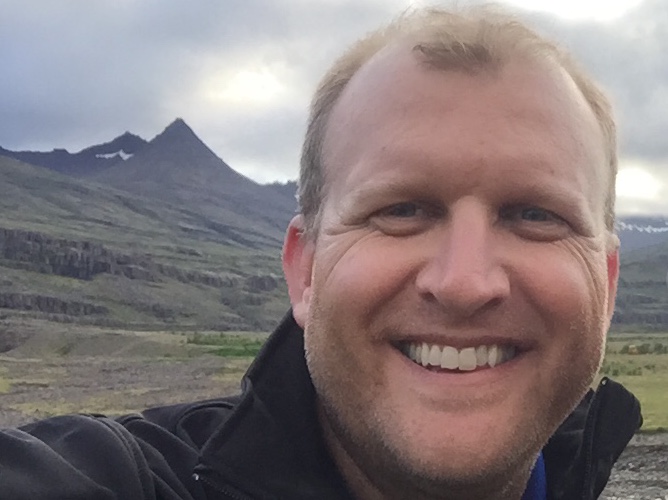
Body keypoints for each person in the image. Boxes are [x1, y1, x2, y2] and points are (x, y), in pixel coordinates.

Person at [1, 5, 642, 500]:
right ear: (305, 269)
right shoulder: (122, 478)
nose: (464, 282)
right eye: (402, 210)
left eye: (535, 215)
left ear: (607, 285)